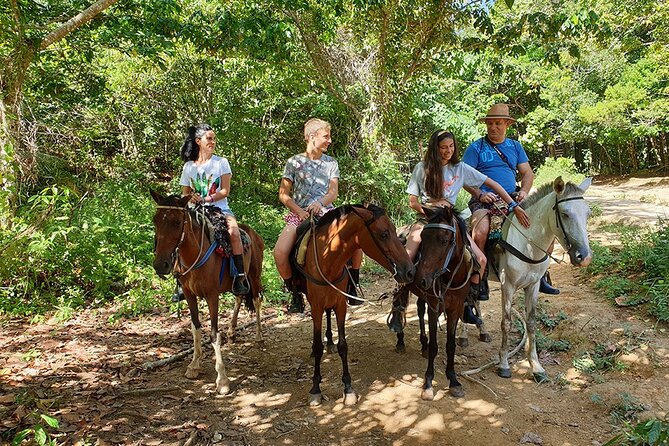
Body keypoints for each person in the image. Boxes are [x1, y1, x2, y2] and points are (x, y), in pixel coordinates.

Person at [387, 129, 530, 329]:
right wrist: (431, 207)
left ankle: (467, 304)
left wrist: (513, 205)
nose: (447, 151)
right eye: (443, 147)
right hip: (427, 219)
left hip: (452, 219)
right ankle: (398, 301)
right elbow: (413, 202)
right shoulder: (422, 168)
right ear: (435, 149)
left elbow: (492, 184)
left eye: (451, 147)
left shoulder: (460, 168)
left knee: (479, 259)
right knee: (408, 255)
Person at [463, 103, 560, 297]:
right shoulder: (476, 147)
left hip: (513, 197)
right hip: (484, 200)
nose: (493, 127)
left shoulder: (515, 146)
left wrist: (524, 191)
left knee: (544, 229)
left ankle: (541, 275)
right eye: (490, 123)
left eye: (498, 123)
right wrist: (480, 194)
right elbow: (464, 177)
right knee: (480, 232)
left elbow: (527, 173)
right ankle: (479, 277)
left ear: (507, 124)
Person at [273, 118, 364, 313]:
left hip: (327, 212)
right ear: (312, 137)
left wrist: (319, 203)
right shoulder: (293, 162)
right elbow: (283, 194)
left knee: (357, 242)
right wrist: (300, 212)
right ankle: (294, 293)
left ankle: (353, 284)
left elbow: (333, 193)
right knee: (279, 253)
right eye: (326, 136)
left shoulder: (331, 163)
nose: (329, 140)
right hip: (299, 215)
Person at [175, 123, 250, 297]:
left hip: (219, 209)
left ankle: (239, 277)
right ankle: (180, 279)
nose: (213, 142)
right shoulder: (188, 167)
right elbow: (185, 193)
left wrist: (207, 198)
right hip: (195, 211)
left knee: (234, 233)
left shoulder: (221, 163)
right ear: (198, 141)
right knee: (177, 235)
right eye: (209, 138)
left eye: (214, 139)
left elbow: (225, 190)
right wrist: (191, 197)